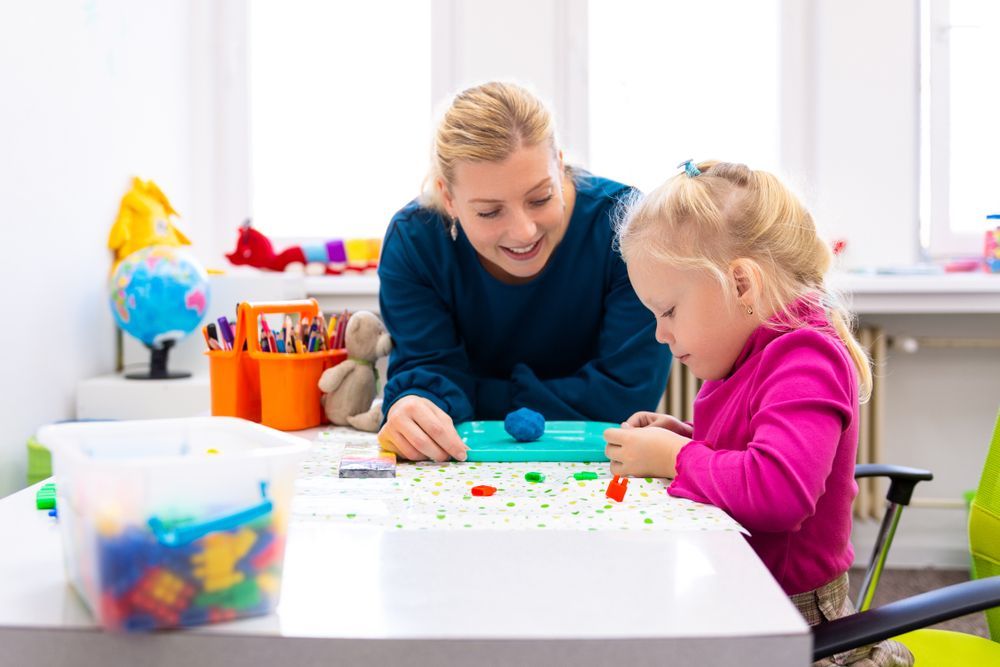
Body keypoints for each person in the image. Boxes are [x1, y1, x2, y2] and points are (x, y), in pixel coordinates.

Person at [604, 160, 913, 666]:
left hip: (801, 631)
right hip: (745, 600)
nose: (660, 334)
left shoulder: (807, 357)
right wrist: (679, 436)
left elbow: (777, 491)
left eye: (669, 311)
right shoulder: (751, 349)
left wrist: (678, 458)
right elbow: (751, 447)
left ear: (741, 285)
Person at [377, 82, 670, 463]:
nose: (524, 232)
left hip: (600, 464)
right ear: (448, 197)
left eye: (541, 198)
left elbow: (626, 395)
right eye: (489, 211)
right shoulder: (415, 242)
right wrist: (415, 407)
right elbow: (426, 375)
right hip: (465, 467)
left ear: (560, 165)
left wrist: (471, 396)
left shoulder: (626, 227)